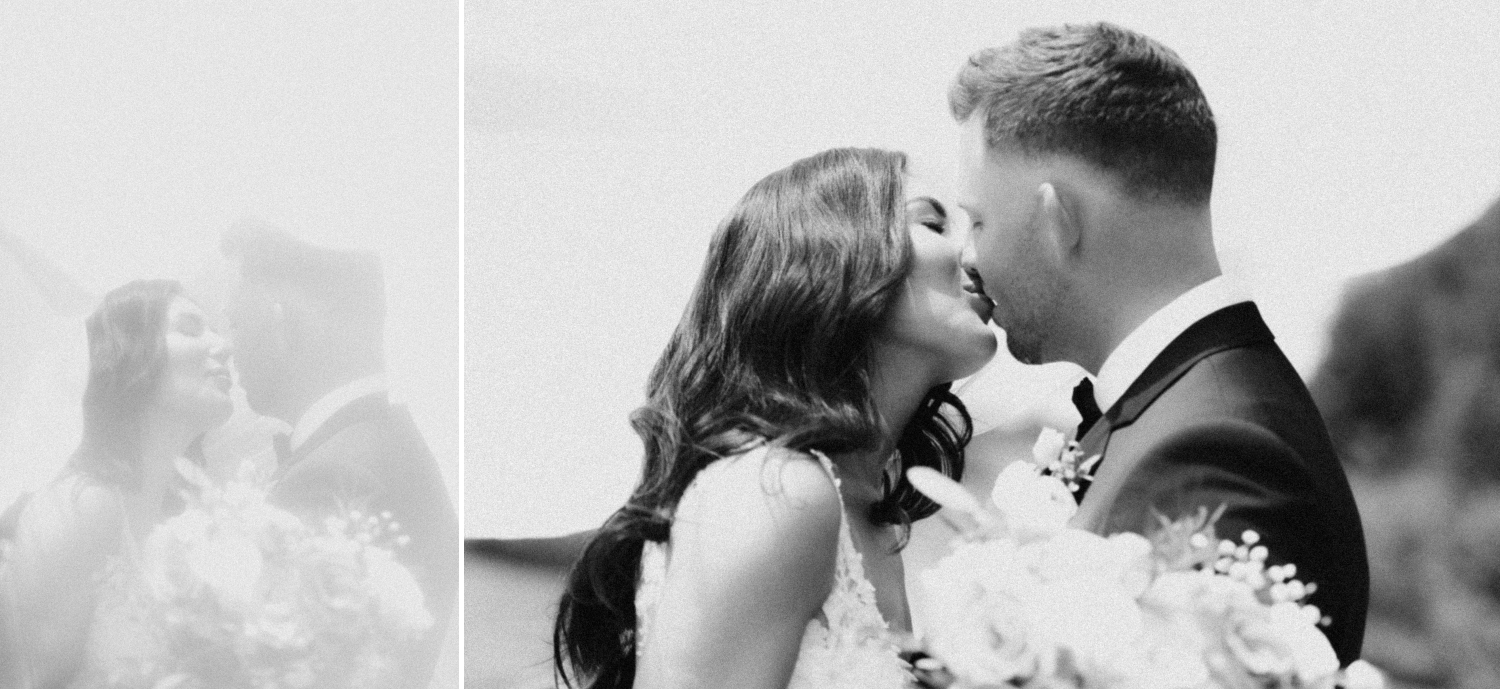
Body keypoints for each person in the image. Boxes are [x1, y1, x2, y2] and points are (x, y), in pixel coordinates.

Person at [951, 22, 1369, 665]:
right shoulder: (1190, 411)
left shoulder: (1215, 453)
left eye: (979, 220)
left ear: (1056, 218)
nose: (969, 258)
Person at [552, 148, 998, 689]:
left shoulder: (870, 520)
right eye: (932, 223)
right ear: (832, 252)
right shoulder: (776, 491)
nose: (977, 255)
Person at [221, 223, 459, 689]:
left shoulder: (333, 475)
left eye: (235, 323)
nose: (228, 348)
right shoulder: (384, 441)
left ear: (279, 322)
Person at [1, 279, 233, 687]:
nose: (224, 346)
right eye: (192, 329)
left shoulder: (189, 517)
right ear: (132, 352)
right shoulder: (79, 507)